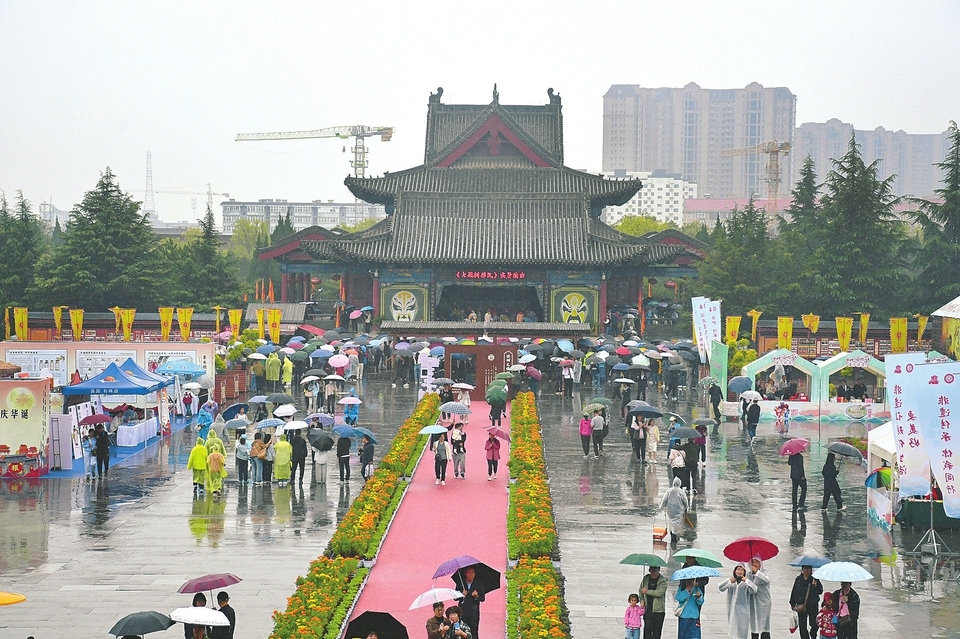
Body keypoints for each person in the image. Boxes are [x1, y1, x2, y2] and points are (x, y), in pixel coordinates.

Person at [718, 564, 757, 639]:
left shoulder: (746, 583)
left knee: (742, 631)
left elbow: (754, 590)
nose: (739, 571)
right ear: (735, 571)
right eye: (738, 569)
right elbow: (720, 588)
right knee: (733, 631)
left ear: (744, 572)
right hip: (732, 609)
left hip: (743, 611)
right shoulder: (731, 581)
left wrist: (747, 581)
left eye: (741, 570)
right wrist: (729, 581)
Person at [789, 564, 823, 639]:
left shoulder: (815, 579)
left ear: (811, 570)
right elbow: (794, 591)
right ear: (802, 569)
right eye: (805, 568)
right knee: (802, 625)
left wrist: (815, 586)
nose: (806, 570)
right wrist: (792, 603)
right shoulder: (798, 579)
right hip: (801, 605)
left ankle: (813, 635)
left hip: (813, 604)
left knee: (814, 624)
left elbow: (820, 591)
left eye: (808, 568)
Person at [453, 566, 485, 638]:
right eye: (469, 573)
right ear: (466, 574)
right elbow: (455, 598)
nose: (471, 574)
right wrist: (461, 594)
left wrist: (476, 596)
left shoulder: (478, 583)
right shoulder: (460, 583)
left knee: (474, 631)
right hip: (463, 612)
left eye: (473, 573)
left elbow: (482, 598)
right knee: (463, 631)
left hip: (474, 613)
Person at [639, 565, 667, 639]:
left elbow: (659, 593)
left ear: (659, 569)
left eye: (655, 569)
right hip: (647, 609)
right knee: (647, 630)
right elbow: (641, 591)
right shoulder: (646, 578)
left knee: (657, 632)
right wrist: (642, 600)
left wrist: (647, 591)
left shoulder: (663, 581)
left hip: (658, 611)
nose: (653, 570)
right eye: (652, 568)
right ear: (649, 569)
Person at [747, 556, 772, 639]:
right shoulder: (749, 574)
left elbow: (766, 580)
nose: (754, 564)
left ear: (760, 563)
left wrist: (757, 573)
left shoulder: (765, 572)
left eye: (757, 562)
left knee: (764, 625)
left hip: (764, 602)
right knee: (754, 625)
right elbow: (750, 589)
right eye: (753, 562)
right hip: (753, 602)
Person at [659, 477, 688, 544]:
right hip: (678, 509)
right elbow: (685, 500)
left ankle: (672, 533)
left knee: (671, 522)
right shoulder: (681, 492)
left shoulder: (669, 491)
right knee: (676, 523)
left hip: (670, 510)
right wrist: (686, 507)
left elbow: (664, 500)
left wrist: (661, 507)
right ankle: (674, 536)